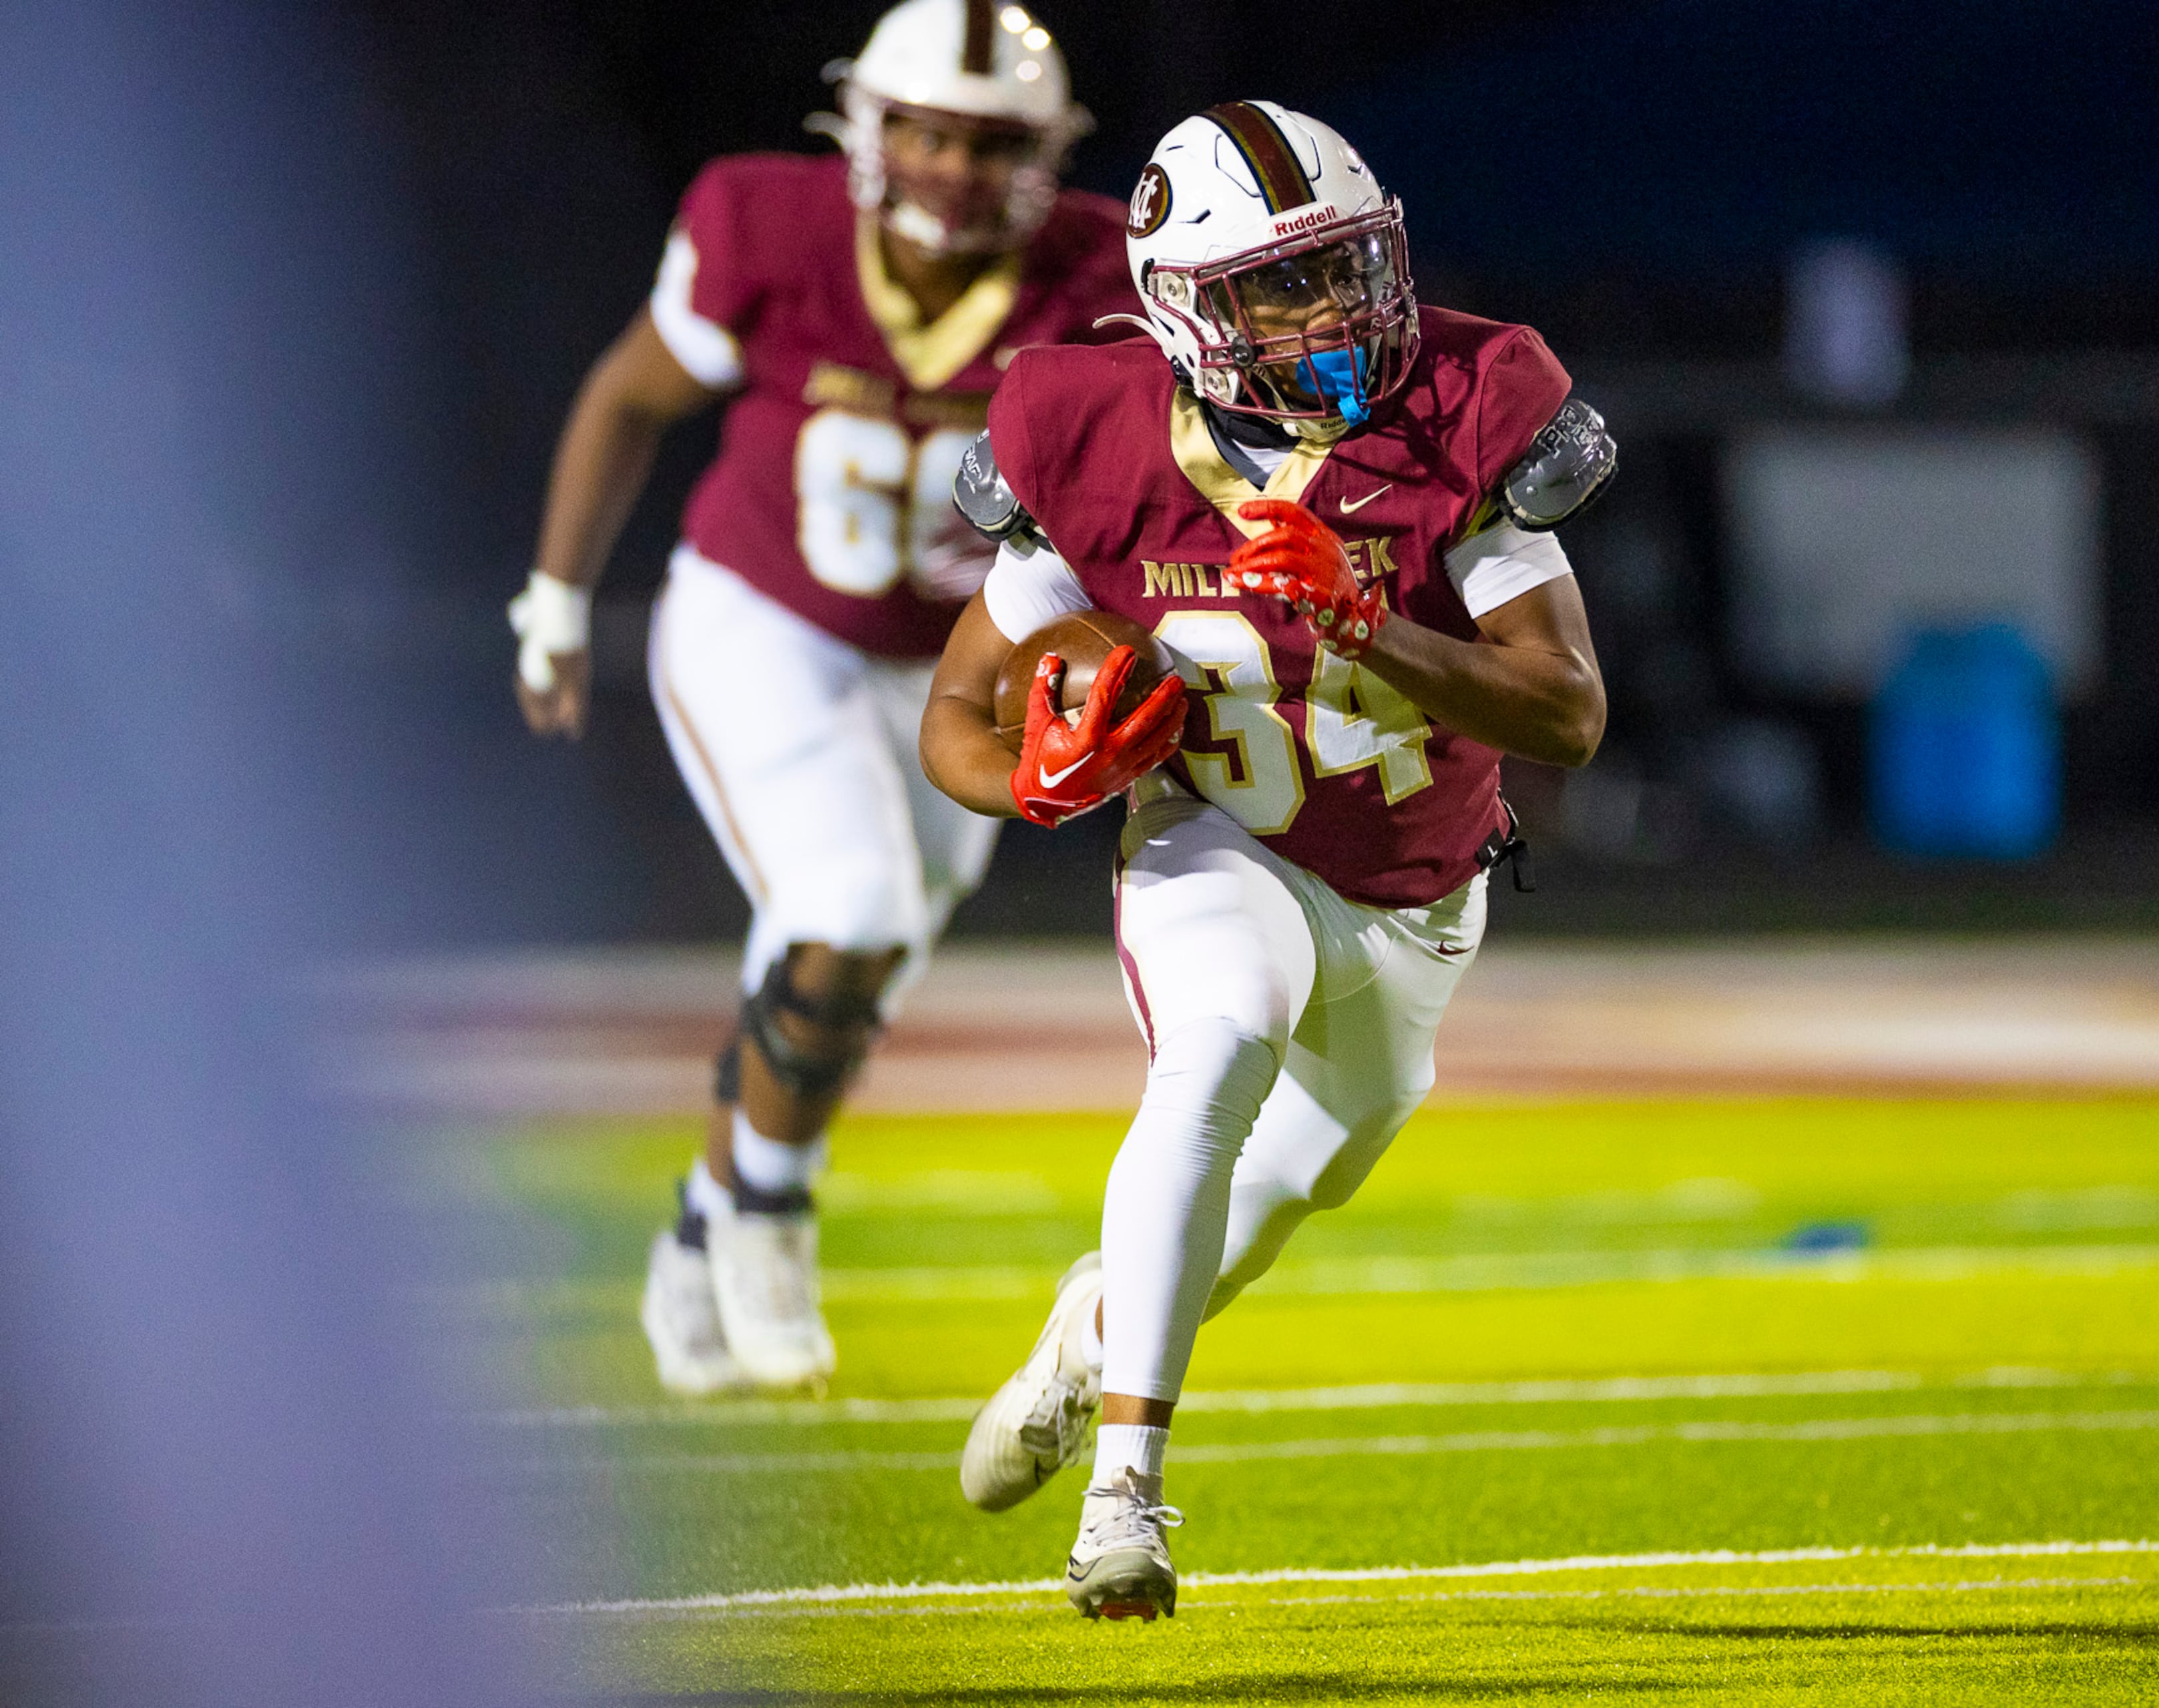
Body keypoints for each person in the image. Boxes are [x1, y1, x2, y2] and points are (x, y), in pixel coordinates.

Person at [918, 100, 1617, 1619]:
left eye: (1347, 268)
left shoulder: (1466, 399)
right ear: (1183, 309)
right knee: (1218, 1039)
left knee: (1315, 1166)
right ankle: (1125, 1495)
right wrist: (1038, 786)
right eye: (1279, 288)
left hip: (1426, 890)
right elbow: (957, 716)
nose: (1335, 313)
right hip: (1218, 837)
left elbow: (1568, 713)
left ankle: (1088, 1338)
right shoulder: (1092, 429)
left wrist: (1367, 622)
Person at [507, 0, 1136, 1396]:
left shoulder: (1096, 277)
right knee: (845, 912)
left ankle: (699, 1219)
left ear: (1042, 152)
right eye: (924, 131)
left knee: (855, 975)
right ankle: (773, 1218)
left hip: (957, 667)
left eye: (989, 143)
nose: (954, 168)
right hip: (763, 618)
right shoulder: (768, 227)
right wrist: (554, 598)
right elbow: (627, 394)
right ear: (866, 126)